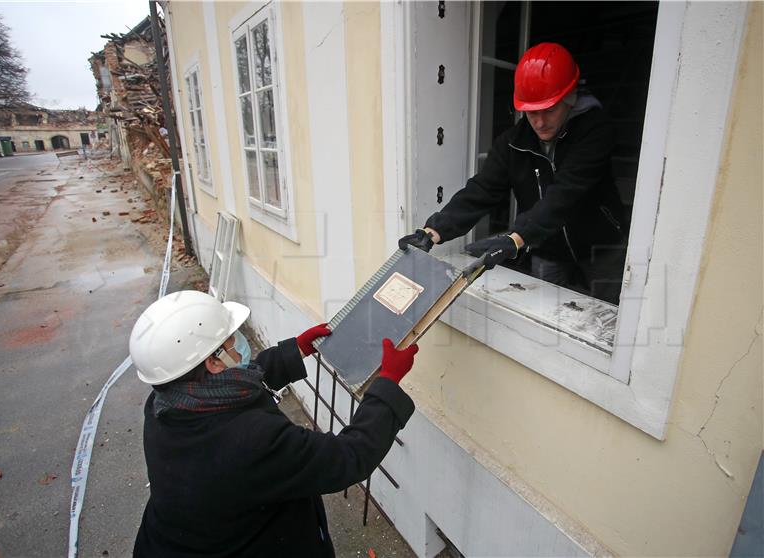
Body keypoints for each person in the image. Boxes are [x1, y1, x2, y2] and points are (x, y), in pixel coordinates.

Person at [128, 290, 419, 557]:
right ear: (214, 363)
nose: (240, 342)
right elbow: (348, 457)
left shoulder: (165, 405)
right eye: (232, 340)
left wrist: (296, 350)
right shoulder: (251, 441)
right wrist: (388, 384)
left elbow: (236, 385)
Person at [399, 42, 628, 304]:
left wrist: (516, 238)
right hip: (547, 247)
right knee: (544, 315)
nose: (539, 122)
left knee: (612, 315)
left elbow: (566, 193)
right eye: (531, 112)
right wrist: (434, 231)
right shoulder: (513, 142)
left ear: (569, 97)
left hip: (602, 244)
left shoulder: (595, 131)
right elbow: (483, 189)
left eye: (548, 110)